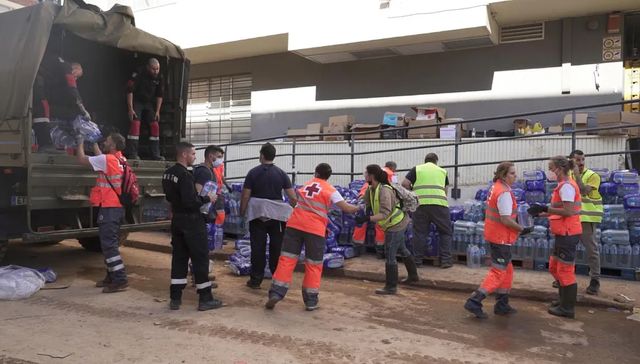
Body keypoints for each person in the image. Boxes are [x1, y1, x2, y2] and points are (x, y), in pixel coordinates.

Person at [266, 163, 360, 311]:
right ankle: (310, 300)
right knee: (314, 264)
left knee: (287, 259)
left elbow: (295, 201)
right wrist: (360, 206)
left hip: (294, 225)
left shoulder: (306, 185)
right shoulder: (330, 190)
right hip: (315, 230)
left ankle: (276, 292)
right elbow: (347, 208)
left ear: (315, 173)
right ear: (329, 176)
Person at [464, 162, 533, 319]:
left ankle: (502, 304)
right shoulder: (504, 193)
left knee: (507, 270)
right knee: (498, 272)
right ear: (503, 175)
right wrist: (522, 229)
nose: (515, 176)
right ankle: (474, 301)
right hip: (501, 237)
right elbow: (506, 220)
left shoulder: (497, 187)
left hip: (496, 235)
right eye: (512, 173)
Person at [162, 142, 222, 311]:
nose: (195, 157)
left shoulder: (167, 174)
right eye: (193, 154)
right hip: (192, 222)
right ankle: (205, 298)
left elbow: (170, 199)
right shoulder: (185, 175)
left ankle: (175, 298)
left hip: (177, 221)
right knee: (200, 259)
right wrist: (207, 199)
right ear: (184, 155)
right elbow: (191, 201)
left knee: (179, 258)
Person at [529, 156, 582, 319]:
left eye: (551, 169)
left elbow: (568, 211)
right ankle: (562, 300)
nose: (550, 172)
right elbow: (559, 208)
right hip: (562, 233)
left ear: (559, 169)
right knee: (554, 267)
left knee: (565, 270)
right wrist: (542, 213)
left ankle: (567, 308)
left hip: (568, 233)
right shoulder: (562, 186)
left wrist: (545, 208)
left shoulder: (567, 186)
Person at [75, 132, 128, 293]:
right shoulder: (120, 159)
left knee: (109, 246)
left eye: (107, 141)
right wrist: (95, 143)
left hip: (110, 208)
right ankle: (111, 277)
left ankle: (120, 279)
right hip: (118, 208)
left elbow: (81, 159)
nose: (105, 142)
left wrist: (80, 142)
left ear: (112, 146)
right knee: (109, 244)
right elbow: (101, 160)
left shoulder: (107, 160)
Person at [240, 143, 297, 289]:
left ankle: (255, 280)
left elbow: (245, 195)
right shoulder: (281, 173)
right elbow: (293, 197)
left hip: (257, 215)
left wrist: (242, 212)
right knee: (276, 247)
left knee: (257, 247)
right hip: (277, 217)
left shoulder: (253, 173)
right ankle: (276, 279)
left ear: (262, 155)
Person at [356, 164, 418, 294]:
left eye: (366, 173)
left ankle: (391, 287)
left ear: (371, 176)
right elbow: (365, 202)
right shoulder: (372, 188)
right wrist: (356, 209)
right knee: (402, 248)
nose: (364, 175)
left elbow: (384, 214)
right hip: (392, 223)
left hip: (396, 224)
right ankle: (413, 276)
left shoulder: (385, 190)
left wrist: (367, 219)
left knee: (390, 254)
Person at [402, 153, 453, 268]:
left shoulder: (417, 169)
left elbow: (405, 184)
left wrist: (412, 194)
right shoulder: (442, 171)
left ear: (425, 161)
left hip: (420, 205)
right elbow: (445, 190)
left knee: (419, 233)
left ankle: (417, 261)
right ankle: (446, 261)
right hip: (439, 205)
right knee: (445, 232)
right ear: (436, 161)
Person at [569, 150, 603, 295]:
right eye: (577, 160)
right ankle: (565, 279)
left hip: (587, 219)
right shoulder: (568, 176)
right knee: (568, 249)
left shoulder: (593, 176)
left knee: (591, 251)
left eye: (582, 159)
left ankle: (595, 280)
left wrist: (576, 174)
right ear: (571, 161)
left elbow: (582, 190)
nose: (581, 163)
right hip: (572, 218)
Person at [193, 145, 224, 286]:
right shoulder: (204, 172)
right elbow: (198, 192)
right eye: (218, 156)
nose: (220, 160)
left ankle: (199, 275)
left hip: (204, 213)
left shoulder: (209, 171)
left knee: (201, 247)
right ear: (211, 156)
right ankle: (200, 278)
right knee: (201, 248)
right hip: (201, 214)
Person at [126, 58, 164, 160]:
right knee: (135, 124)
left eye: (157, 69)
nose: (156, 71)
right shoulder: (138, 73)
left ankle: (155, 154)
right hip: (137, 101)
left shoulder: (159, 76)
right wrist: (130, 109)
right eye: (153, 69)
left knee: (155, 125)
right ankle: (132, 153)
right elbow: (129, 91)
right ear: (148, 67)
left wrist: (157, 111)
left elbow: (159, 95)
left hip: (149, 103)